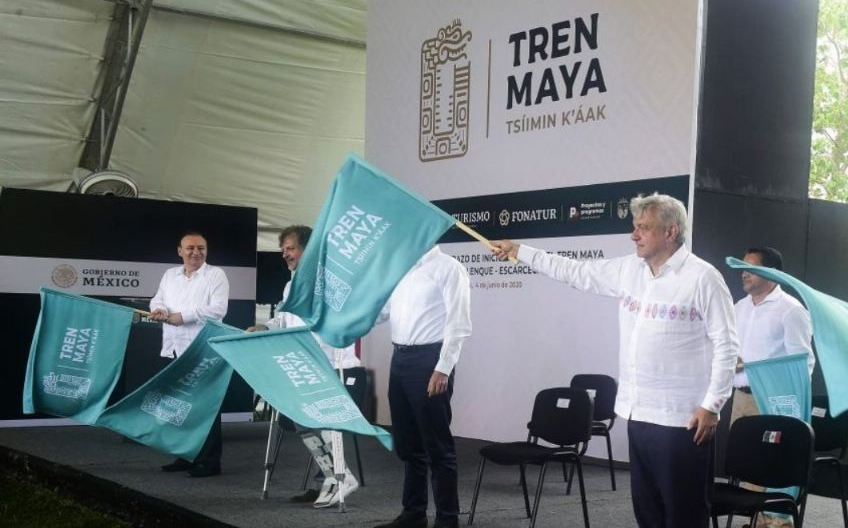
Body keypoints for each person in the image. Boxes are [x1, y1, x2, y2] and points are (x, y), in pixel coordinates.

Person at [492, 193, 739, 528]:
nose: (634, 235)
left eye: (644, 228)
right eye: (634, 227)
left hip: (682, 420)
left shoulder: (703, 278)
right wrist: (521, 252)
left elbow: (727, 346)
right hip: (638, 413)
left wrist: (712, 406)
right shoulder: (628, 269)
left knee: (684, 513)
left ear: (671, 232)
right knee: (647, 510)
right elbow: (574, 271)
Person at [247, 224, 361, 508]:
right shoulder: (292, 283)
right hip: (303, 365)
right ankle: (329, 477)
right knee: (302, 421)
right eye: (283, 249)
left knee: (317, 421)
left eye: (291, 248)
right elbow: (284, 318)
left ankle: (339, 477)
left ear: (307, 249)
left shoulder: (330, 278)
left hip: (332, 363)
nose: (286, 254)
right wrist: (265, 326)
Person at [374, 246, 471, 528]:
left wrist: (443, 368)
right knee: (408, 444)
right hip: (400, 358)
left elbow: (459, 323)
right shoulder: (402, 268)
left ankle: (447, 519)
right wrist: (352, 314)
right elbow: (383, 313)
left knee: (437, 445)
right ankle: (414, 514)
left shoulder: (449, 268)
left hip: (430, 360)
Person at [148, 231, 229, 477]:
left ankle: (210, 462)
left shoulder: (216, 275)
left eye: (201, 248)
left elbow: (218, 310)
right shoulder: (170, 275)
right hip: (174, 347)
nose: (196, 252)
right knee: (179, 404)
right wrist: (159, 309)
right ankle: (185, 455)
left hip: (202, 348)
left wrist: (182, 317)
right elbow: (156, 299)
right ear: (179, 251)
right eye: (191, 248)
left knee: (205, 406)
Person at [731, 246, 814, 424]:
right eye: (742, 268)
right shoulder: (739, 307)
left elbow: (803, 365)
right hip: (739, 398)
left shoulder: (791, 310)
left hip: (771, 400)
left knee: (767, 453)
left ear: (772, 272)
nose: (744, 274)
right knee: (738, 452)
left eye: (751, 269)